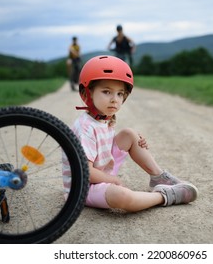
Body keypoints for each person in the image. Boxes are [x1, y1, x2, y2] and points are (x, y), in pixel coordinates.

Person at [62, 55, 198, 212]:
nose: (115, 100)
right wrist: (112, 180)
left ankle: (158, 177)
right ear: (87, 93)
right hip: (84, 185)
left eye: (120, 94)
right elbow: (86, 172)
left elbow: (103, 145)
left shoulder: (104, 118)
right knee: (122, 197)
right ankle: (164, 196)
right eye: (107, 92)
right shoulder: (85, 128)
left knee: (129, 134)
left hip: (101, 173)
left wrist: (135, 143)